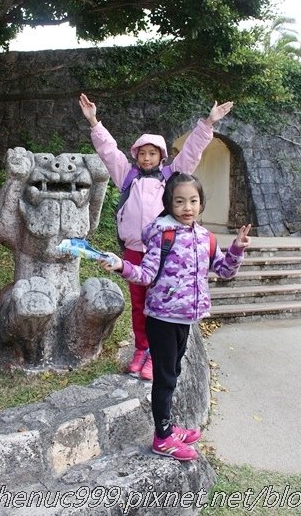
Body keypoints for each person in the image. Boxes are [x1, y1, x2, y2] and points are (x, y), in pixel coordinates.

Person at [79, 92, 233, 381]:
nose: (146, 157)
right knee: (139, 304)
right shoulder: (127, 176)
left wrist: (208, 123)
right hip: (134, 252)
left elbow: (191, 152)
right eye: (142, 153)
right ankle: (141, 348)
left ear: (161, 157)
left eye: (152, 153)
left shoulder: (170, 177)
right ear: (135, 155)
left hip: (166, 252)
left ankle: (155, 354)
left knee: (158, 307)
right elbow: (109, 151)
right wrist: (94, 122)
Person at [99, 172, 251, 461]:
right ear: (168, 203)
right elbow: (145, 275)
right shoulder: (162, 234)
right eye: (179, 201)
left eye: (193, 201)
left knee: (174, 374)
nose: (187, 207)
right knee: (165, 379)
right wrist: (121, 265)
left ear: (201, 203)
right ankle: (162, 438)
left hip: (186, 320)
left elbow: (225, 271)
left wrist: (236, 250)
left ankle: (168, 426)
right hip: (162, 319)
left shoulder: (206, 237)